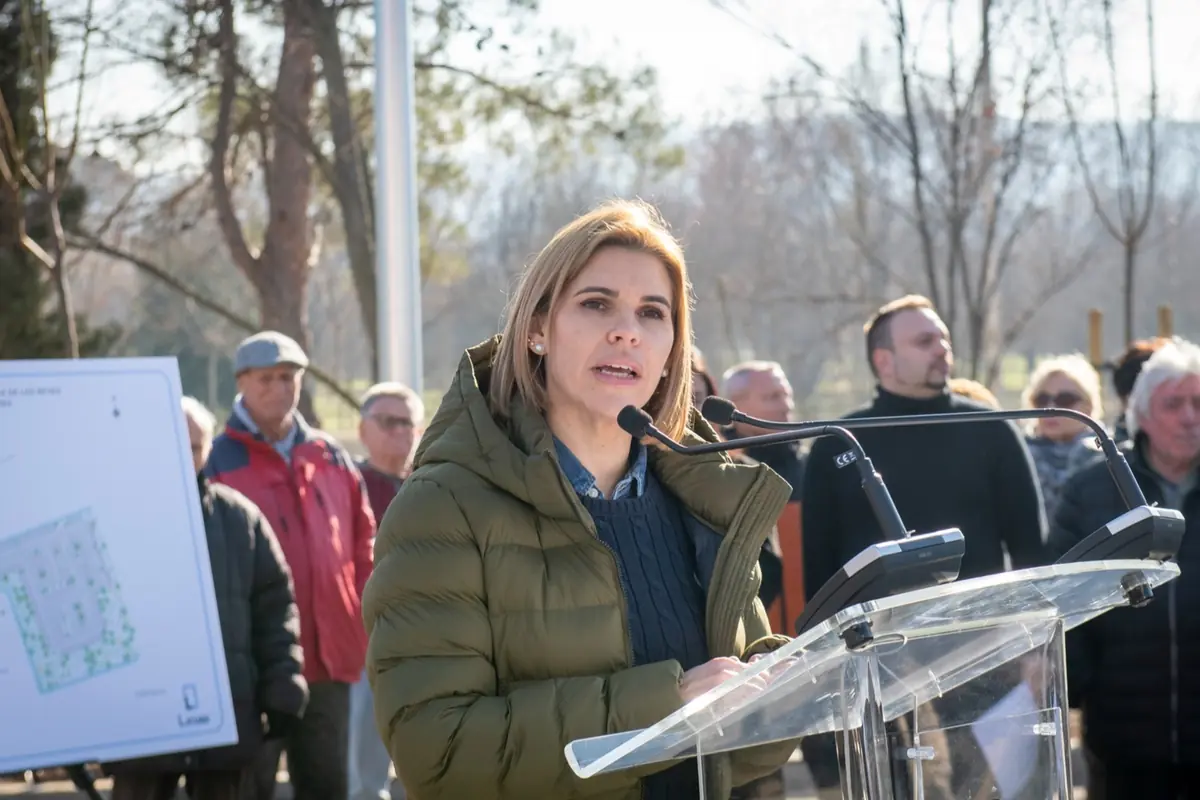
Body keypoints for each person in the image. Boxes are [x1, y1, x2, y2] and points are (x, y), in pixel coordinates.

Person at [362, 199, 799, 800]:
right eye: (596, 304)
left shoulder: (706, 498)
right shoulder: (443, 506)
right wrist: (666, 705)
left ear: (672, 347)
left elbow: (745, 755)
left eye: (652, 312)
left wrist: (791, 681)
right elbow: (437, 756)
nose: (627, 330)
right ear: (537, 329)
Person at [107, 397, 307, 800]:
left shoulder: (241, 520)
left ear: (209, 450)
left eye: (195, 446)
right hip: (144, 726)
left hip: (228, 723)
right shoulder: (115, 519)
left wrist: (284, 687)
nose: (184, 456)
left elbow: (275, 611)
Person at [205, 331, 376, 800]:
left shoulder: (330, 455)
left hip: (329, 655)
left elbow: (364, 543)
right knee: (248, 786)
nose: (280, 389)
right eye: (267, 379)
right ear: (241, 382)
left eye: (289, 378)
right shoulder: (217, 461)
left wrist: (359, 615)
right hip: (255, 662)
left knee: (325, 786)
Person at [1049, 339, 1200, 799]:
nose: (1190, 416)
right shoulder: (1093, 490)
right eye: (1174, 404)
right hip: (1122, 736)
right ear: (1143, 416)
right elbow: (1058, 596)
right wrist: (1074, 685)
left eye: (1199, 403)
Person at [348, 382, 426, 800]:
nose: (398, 430)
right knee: (362, 767)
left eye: (407, 422)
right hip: (362, 641)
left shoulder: (430, 486)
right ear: (363, 430)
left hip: (426, 642)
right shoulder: (347, 483)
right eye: (387, 421)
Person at [1020, 354, 1105, 518]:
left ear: (1088, 406)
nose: (1051, 408)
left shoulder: (1108, 457)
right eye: (1042, 399)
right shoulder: (1018, 456)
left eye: (1065, 399)